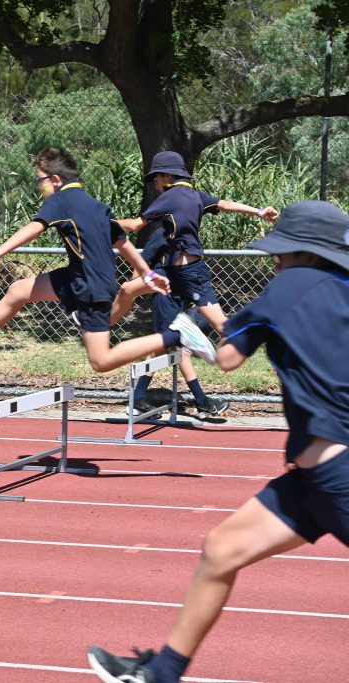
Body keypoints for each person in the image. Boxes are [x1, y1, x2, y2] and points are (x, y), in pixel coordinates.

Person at [88, 200, 349, 683]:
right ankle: (162, 673)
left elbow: (228, 357)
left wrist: (180, 336)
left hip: (339, 470)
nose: (275, 260)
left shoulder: (287, 286)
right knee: (222, 548)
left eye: (281, 251)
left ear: (303, 253)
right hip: (313, 481)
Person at [0, 147, 217, 375]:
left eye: (39, 181)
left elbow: (33, 228)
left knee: (101, 361)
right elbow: (124, 243)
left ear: (55, 180)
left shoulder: (60, 200)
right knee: (18, 290)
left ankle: (176, 336)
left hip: (88, 287)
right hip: (83, 278)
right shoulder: (97, 206)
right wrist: (148, 275)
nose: (39, 187)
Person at [109, 151, 279, 364]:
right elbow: (225, 204)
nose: (155, 184)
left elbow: (135, 225)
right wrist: (259, 212)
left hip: (191, 273)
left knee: (223, 328)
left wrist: (100, 221)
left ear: (168, 176)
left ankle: (266, 332)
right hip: (170, 272)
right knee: (128, 289)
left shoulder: (170, 196)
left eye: (156, 178)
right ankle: (102, 329)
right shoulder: (197, 196)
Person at [127, 226, 229, 420]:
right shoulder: (162, 233)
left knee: (168, 347)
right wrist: (131, 292)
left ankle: (139, 398)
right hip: (165, 296)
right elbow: (140, 262)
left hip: (180, 297)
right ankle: (201, 402)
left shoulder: (188, 234)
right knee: (172, 346)